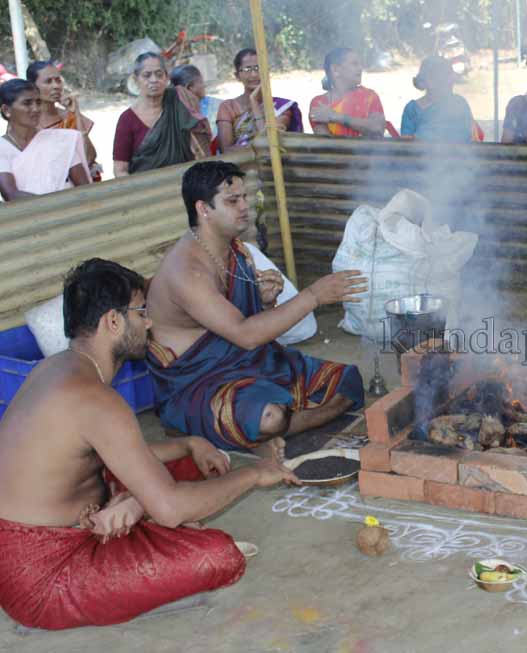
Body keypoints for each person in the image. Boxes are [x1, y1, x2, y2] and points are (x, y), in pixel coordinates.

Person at [0, 259, 299, 630]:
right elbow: (171, 509)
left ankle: (135, 510)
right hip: (42, 576)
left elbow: (100, 454)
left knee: (189, 464)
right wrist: (254, 475)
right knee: (217, 556)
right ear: (113, 321)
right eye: (141, 313)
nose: (149, 323)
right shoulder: (94, 399)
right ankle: (139, 517)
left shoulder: (57, 368)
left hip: (62, 523)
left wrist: (188, 444)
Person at [145, 161, 368, 454]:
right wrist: (314, 295)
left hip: (248, 362)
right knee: (270, 416)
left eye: (244, 197)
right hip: (199, 384)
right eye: (232, 201)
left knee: (346, 380)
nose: (244, 207)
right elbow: (246, 334)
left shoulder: (237, 251)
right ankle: (233, 426)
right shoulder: (186, 271)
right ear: (203, 209)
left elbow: (247, 325)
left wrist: (264, 301)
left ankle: (265, 430)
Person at [113, 53, 212, 177]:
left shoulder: (181, 100)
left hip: (187, 181)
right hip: (145, 186)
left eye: (159, 74)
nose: (154, 80)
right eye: (147, 75)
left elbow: (200, 144)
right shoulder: (127, 120)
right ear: (136, 80)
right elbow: (120, 170)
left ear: (166, 77)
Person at [0, 79, 89, 201]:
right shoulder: (2, 148)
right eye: (27, 103)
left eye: (38, 102)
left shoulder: (61, 140)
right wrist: (55, 204)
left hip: (73, 208)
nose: (36, 109)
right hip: (32, 212)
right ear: (7, 110)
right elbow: (11, 194)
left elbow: (84, 187)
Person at [217, 49, 303, 152]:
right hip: (240, 161)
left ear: (267, 72)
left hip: (271, 161)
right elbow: (226, 150)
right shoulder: (228, 107)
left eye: (258, 68)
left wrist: (255, 105)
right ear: (237, 76)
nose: (254, 74)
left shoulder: (281, 107)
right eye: (247, 69)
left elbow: (270, 143)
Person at [27, 60, 100, 180]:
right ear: (32, 86)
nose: (56, 86)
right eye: (48, 81)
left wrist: (76, 113)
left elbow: (89, 158)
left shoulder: (69, 115)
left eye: (58, 80)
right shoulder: (27, 125)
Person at [309, 48, 386, 138]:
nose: (360, 68)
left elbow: (378, 128)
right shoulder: (320, 103)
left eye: (360, 64)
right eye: (354, 64)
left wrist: (335, 116)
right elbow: (325, 142)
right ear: (335, 69)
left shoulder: (369, 96)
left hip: (367, 148)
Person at [399, 56, 475, 143]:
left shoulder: (458, 104)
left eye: (449, 80)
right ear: (425, 82)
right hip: (420, 152)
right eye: (441, 80)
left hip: (455, 151)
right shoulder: (412, 109)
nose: (449, 84)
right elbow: (406, 141)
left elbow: (464, 135)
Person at [171, 63, 222, 142]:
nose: (204, 85)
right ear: (189, 87)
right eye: (201, 82)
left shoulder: (171, 111)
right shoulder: (216, 106)